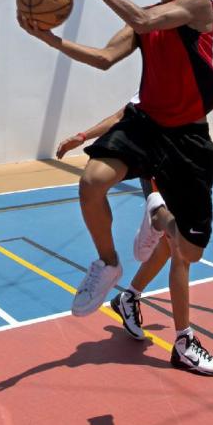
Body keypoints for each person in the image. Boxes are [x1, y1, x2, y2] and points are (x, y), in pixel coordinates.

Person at [20, 0, 213, 377]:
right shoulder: (143, 20)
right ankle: (108, 263)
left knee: (188, 252)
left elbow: (142, 19)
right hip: (146, 123)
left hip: (187, 138)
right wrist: (48, 37)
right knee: (92, 180)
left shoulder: (197, 4)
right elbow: (103, 59)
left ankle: (165, 228)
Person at [56, 104, 170, 341]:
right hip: (151, 145)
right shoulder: (155, 83)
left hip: (180, 147)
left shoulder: (195, 81)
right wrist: (82, 137)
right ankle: (151, 217)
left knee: (170, 244)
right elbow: (122, 114)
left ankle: (129, 297)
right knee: (93, 183)